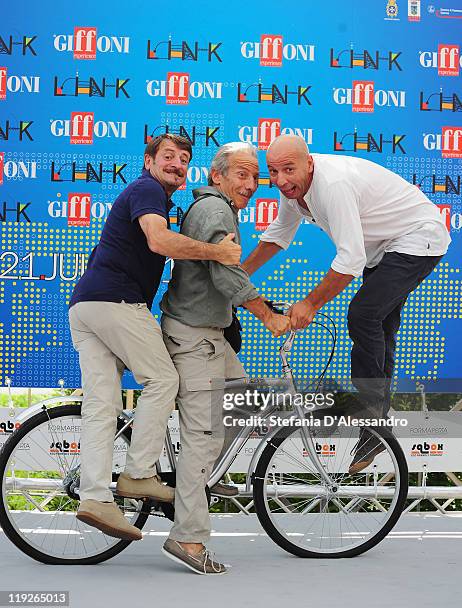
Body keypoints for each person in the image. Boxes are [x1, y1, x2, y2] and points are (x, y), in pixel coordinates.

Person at [242, 134, 451, 475]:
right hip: (381, 246)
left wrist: (309, 303)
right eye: (273, 172)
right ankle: (376, 425)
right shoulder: (293, 192)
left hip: (417, 236)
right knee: (378, 324)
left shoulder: (332, 184)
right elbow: (279, 234)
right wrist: (241, 274)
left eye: (288, 170)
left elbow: (350, 260)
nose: (280, 181)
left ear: (309, 164)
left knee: (364, 314)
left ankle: (373, 417)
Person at [69, 134, 242, 541]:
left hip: (86, 306)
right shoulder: (146, 189)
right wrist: (218, 252)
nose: (177, 164)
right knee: (164, 380)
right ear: (149, 161)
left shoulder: (148, 194)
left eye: (184, 160)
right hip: (116, 301)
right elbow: (158, 240)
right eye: (168, 156)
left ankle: (94, 497)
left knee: (101, 407)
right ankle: (139, 474)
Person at [160, 142, 291, 574]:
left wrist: (257, 302)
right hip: (196, 340)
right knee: (204, 437)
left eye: (255, 177)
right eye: (242, 174)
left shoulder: (214, 207)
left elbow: (223, 275)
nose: (251, 184)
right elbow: (224, 270)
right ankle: (188, 538)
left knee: (244, 403)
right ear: (218, 176)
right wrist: (268, 315)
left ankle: (193, 485)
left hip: (211, 335)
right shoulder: (216, 211)